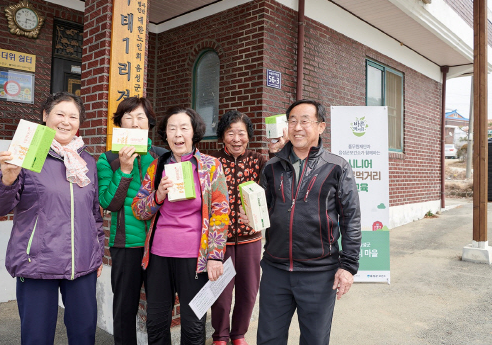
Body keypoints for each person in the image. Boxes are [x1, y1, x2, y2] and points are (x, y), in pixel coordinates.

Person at [0, 92, 104, 345]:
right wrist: (7, 179)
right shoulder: (26, 155)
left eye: (73, 116)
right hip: (37, 263)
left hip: (81, 264)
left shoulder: (86, 161)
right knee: (36, 337)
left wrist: (97, 252)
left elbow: (94, 213)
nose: (66, 121)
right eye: (60, 114)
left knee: (84, 335)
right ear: (45, 116)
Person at [252, 99, 362, 345]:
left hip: (319, 272)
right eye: (292, 121)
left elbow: (351, 219)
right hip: (275, 270)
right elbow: (264, 212)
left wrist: (348, 266)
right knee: (268, 339)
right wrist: (250, 217)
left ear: (321, 127)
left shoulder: (337, 167)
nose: (297, 127)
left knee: (314, 340)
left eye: (304, 121)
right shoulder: (271, 167)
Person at [131, 106, 230, 345]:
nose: (178, 134)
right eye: (172, 129)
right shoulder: (157, 167)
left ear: (194, 132)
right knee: (155, 321)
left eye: (184, 128)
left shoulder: (210, 166)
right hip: (158, 257)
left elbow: (220, 211)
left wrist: (215, 256)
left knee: (194, 323)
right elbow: (138, 209)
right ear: (165, 135)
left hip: (194, 259)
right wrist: (158, 195)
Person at [210, 110, 286, 345]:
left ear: (249, 136)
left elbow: (277, 180)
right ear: (222, 136)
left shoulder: (258, 160)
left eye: (241, 133)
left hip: (250, 240)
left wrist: (276, 152)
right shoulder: (212, 162)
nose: (236, 139)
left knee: (249, 290)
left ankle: (238, 334)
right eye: (230, 133)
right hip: (219, 241)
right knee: (220, 293)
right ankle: (220, 335)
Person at [97, 97, 167, 345]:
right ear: (119, 123)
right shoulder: (108, 159)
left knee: (159, 310)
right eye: (129, 117)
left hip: (160, 246)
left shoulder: (163, 156)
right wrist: (124, 170)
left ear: (148, 124)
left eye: (141, 118)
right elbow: (109, 203)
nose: (135, 123)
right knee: (124, 308)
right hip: (126, 245)